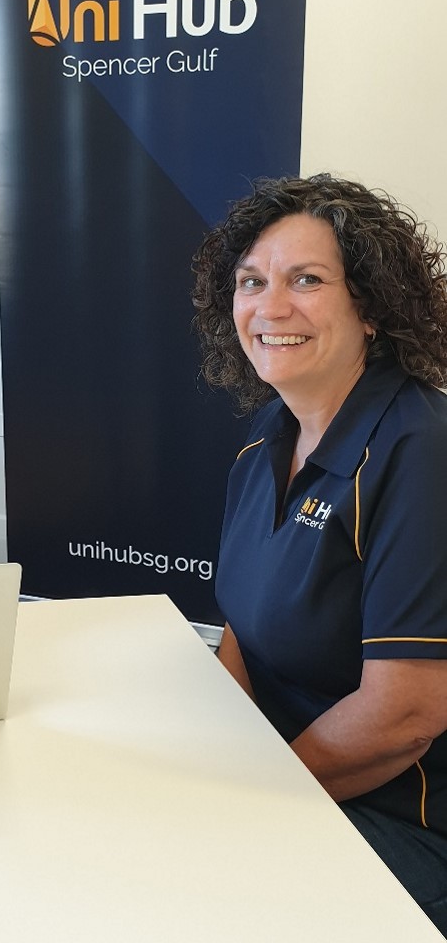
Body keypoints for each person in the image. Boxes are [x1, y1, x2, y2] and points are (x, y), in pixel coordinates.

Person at [192, 174, 447, 934]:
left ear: (370, 307)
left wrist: (246, 807)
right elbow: (243, 631)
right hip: (286, 777)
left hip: (401, 818)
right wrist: (205, 763)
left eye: (307, 280)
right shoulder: (268, 433)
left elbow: (405, 714)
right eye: (251, 282)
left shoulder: (420, 450)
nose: (271, 309)